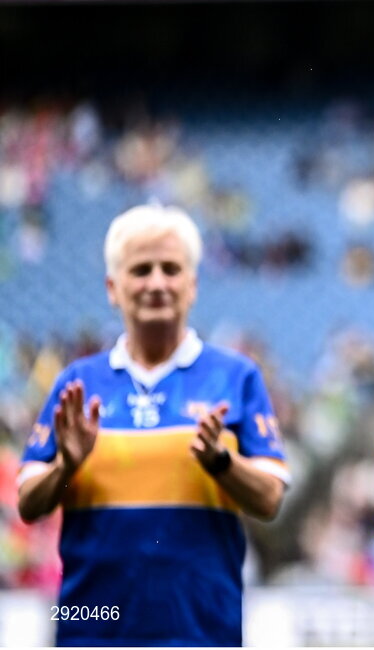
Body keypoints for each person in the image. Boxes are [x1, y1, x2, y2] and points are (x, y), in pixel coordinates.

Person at [17, 204, 289, 646]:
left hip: (202, 629)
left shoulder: (237, 377)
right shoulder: (77, 383)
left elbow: (270, 499)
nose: (157, 283)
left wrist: (221, 462)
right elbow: (29, 504)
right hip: (91, 629)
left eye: (171, 269)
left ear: (193, 284)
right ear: (112, 287)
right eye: (141, 270)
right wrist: (66, 466)